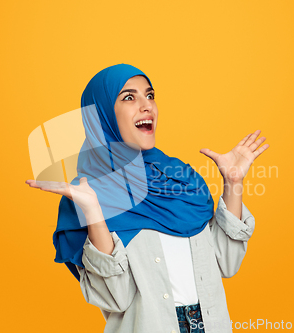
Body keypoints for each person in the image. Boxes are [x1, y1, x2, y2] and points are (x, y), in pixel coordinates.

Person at [26, 64, 269, 333]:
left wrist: (233, 184)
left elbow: (227, 262)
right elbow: (115, 297)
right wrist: (94, 212)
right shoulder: (88, 194)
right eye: (129, 97)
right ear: (102, 114)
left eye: (150, 95)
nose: (146, 106)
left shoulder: (183, 180)